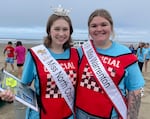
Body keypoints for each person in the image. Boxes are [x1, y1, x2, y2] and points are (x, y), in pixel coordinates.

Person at [75, 9, 145, 119]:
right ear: (89, 30)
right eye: (94, 26)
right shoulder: (81, 52)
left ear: (111, 27)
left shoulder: (126, 55)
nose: (99, 29)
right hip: (80, 114)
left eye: (104, 25)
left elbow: (135, 91)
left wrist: (132, 116)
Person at [21, 5, 79, 119]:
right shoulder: (36, 54)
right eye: (57, 29)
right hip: (40, 115)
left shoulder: (76, 54)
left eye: (65, 29)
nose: (61, 33)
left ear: (70, 31)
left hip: (69, 115)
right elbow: (23, 86)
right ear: (49, 30)